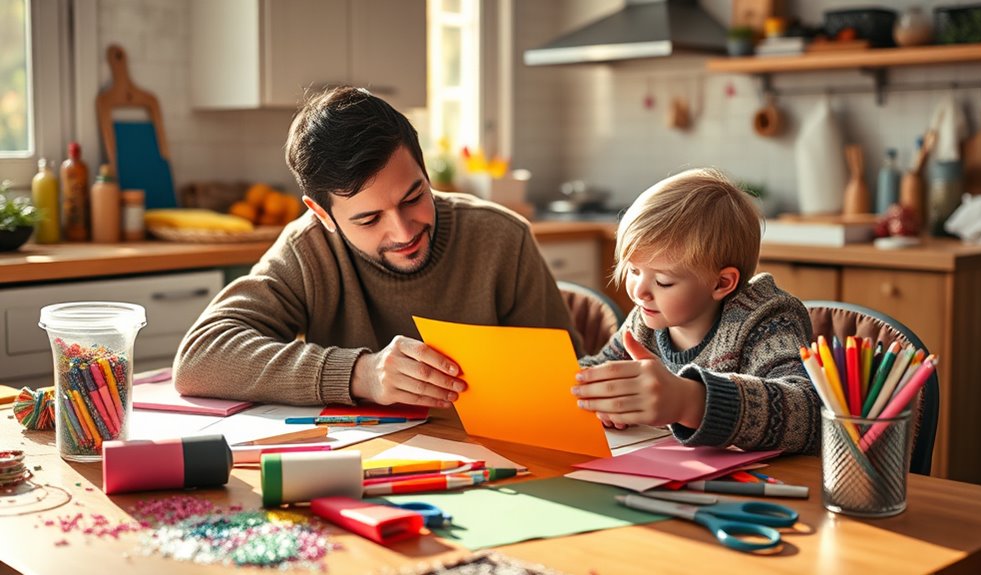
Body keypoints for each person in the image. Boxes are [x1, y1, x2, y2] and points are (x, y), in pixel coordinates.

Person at [174, 87, 577, 407]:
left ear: (425, 171)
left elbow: (567, 382)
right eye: (369, 219)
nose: (403, 231)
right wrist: (361, 374)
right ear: (322, 214)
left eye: (414, 197)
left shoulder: (503, 237)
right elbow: (199, 358)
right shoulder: (308, 250)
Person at [572, 168, 820, 454]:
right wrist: (598, 395)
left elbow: (809, 411)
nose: (639, 291)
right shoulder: (645, 318)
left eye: (663, 281)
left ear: (721, 283)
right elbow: (596, 370)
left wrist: (691, 401)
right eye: (633, 270)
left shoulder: (766, 319)